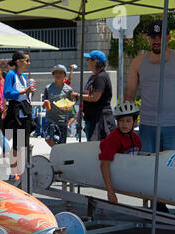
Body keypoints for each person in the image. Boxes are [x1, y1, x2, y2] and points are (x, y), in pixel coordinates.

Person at [124, 19, 175, 213]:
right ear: (147, 38)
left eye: (160, 36)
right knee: (149, 167)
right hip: (148, 124)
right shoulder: (139, 61)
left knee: (172, 167)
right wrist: (126, 119)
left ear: (168, 37)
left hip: (173, 124)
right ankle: (157, 203)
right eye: (153, 36)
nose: (156, 40)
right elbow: (130, 91)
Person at [99, 101, 142, 203]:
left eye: (128, 121)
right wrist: (110, 192)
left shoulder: (136, 138)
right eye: (121, 121)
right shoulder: (113, 139)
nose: (124, 124)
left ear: (134, 122)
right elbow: (104, 165)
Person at [3, 51, 36, 176]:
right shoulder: (11, 75)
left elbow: (22, 94)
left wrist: (28, 92)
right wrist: (23, 92)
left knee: (23, 143)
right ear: (18, 61)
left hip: (24, 112)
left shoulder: (22, 76)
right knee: (17, 144)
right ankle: (14, 171)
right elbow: (7, 93)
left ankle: (20, 170)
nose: (29, 63)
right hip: (16, 112)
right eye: (26, 60)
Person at [71, 50, 116, 141]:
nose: (87, 62)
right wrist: (81, 110)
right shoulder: (93, 77)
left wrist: (78, 96)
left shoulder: (101, 77)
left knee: (98, 148)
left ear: (95, 62)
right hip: (92, 118)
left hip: (101, 120)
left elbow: (95, 98)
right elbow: (88, 95)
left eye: (88, 59)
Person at [42, 64, 75, 147]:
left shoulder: (68, 90)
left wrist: (68, 109)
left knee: (62, 145)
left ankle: (58, 155)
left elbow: (72, 107)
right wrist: (45, 103)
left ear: (64, 75)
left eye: (61, 73)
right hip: (50, 119)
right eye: (56, 73)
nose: (58, 75)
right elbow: (44, 104)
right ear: (53, 75)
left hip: (62, 120)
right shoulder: (48, 88)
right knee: (48, 138)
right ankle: (56, 150)